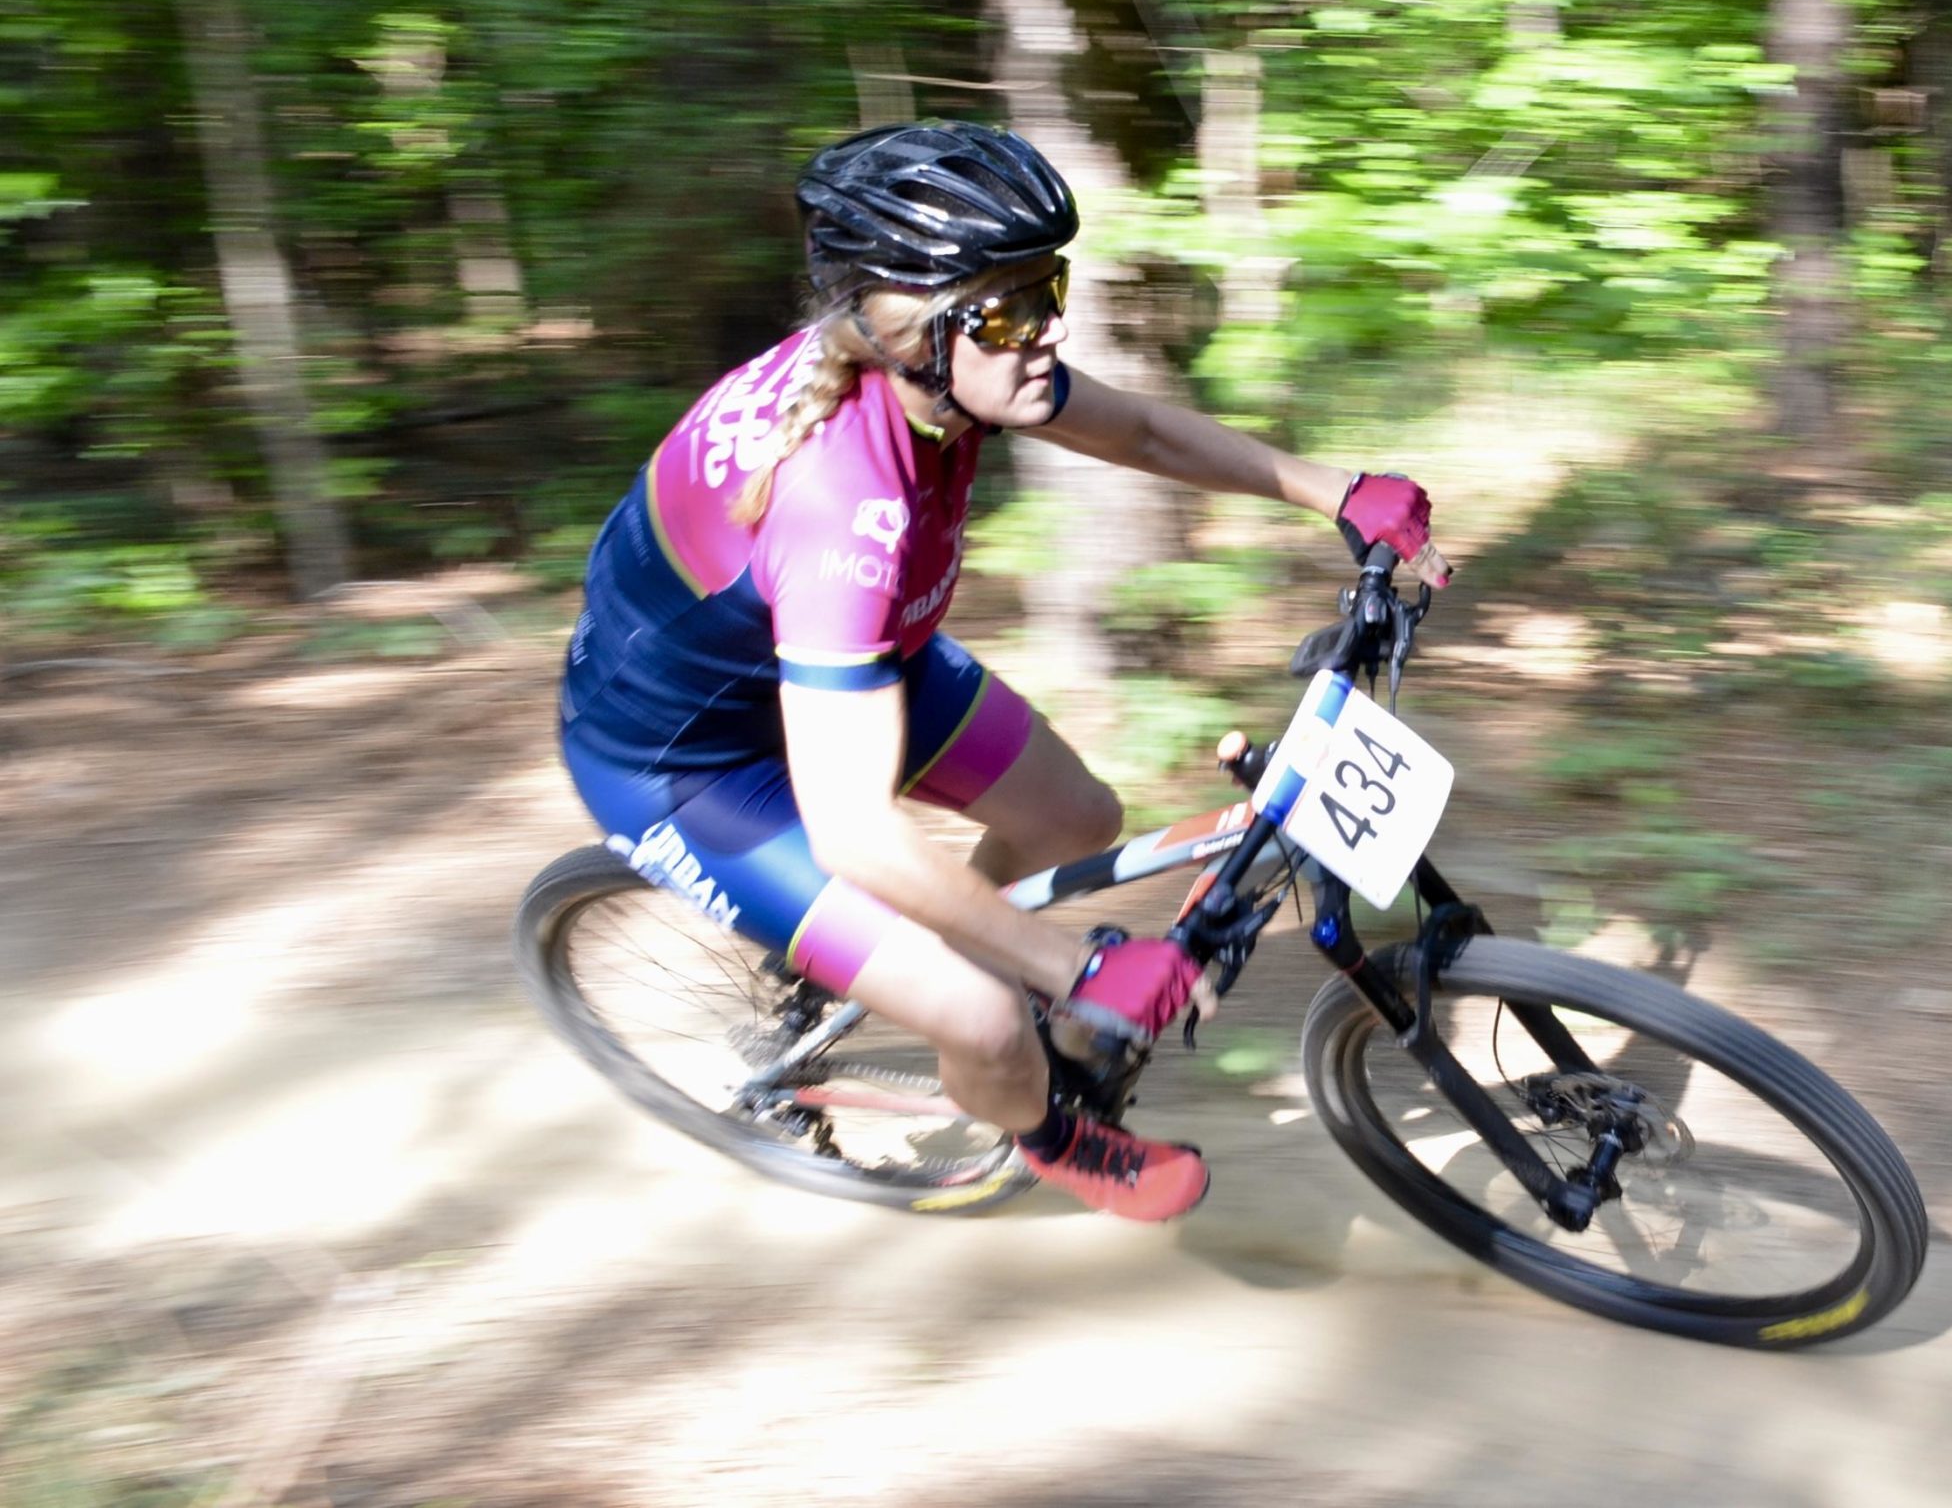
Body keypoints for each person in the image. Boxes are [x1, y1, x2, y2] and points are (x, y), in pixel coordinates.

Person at [557, 121, 1448, 1222]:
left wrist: (1336, 490)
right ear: (904, 326)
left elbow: (1148, 438)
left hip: (847, 662)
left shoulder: (946, 368)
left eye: (1048, 288)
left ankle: (953, 969)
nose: (1050, 327)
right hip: (689, 764)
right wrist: (1069, 968)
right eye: (1013, 306)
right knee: (979, 1009)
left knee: (1075, 814)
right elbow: (852, 828)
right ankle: (1041, 1132)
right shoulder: (843, 503)